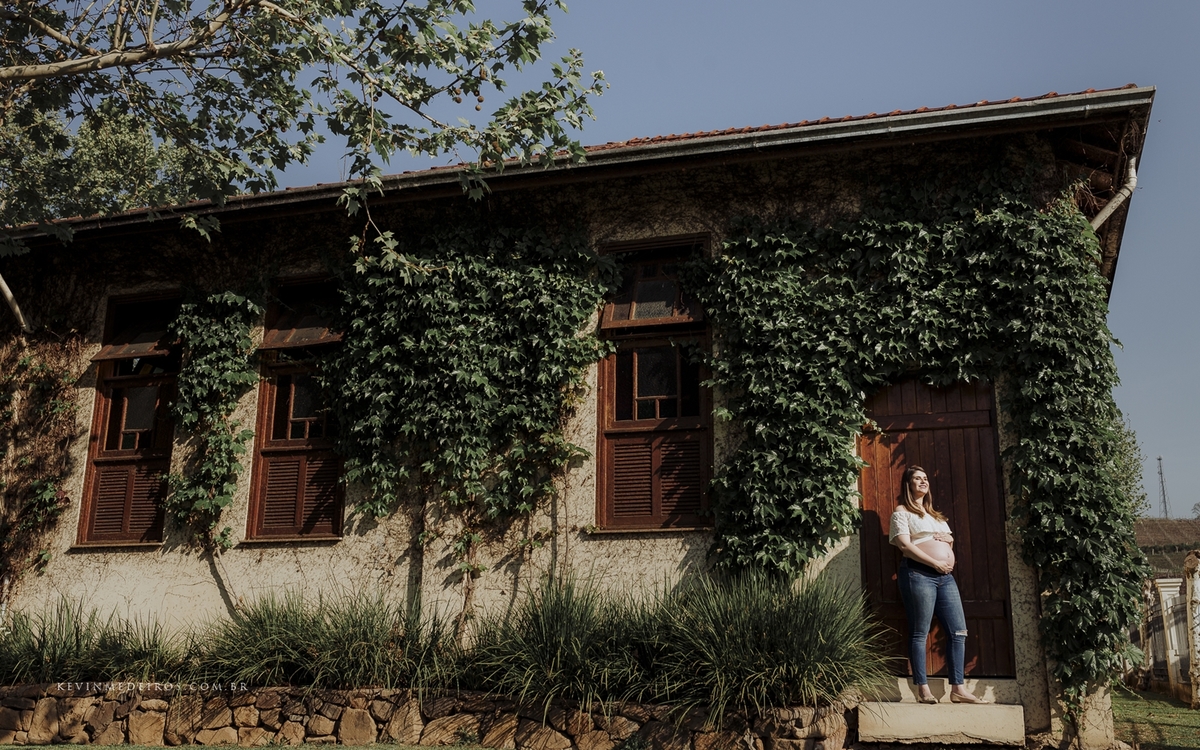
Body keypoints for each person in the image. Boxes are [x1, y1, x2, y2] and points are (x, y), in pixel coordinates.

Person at [889, 465, 989, 704]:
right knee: (920, 632)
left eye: (925, 478)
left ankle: (958, 689)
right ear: (908, 484)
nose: (923, 481)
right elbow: (904, 546)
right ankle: (923, 689)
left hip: (945, 577)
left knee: (959, 631)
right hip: (918, 574)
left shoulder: (937, 516)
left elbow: (947, 544)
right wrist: (935, 561)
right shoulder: (902, 512)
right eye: (917, 478)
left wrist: (948, 542)